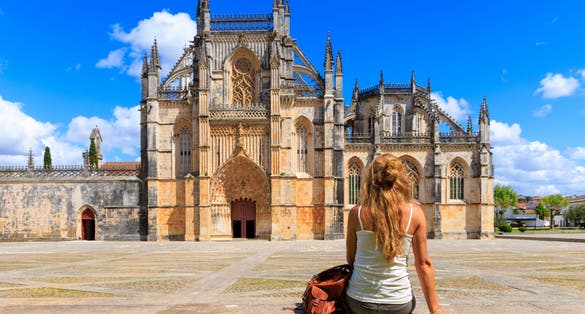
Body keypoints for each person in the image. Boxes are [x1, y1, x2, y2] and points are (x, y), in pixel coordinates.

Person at [345, 153, 447, 314]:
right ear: (401, 179)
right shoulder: (416, 213)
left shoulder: (356, 213)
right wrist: (435, 310)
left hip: (359, 300)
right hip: (398, 302)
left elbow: (351, 259)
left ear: (371, 180)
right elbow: (424, 265)